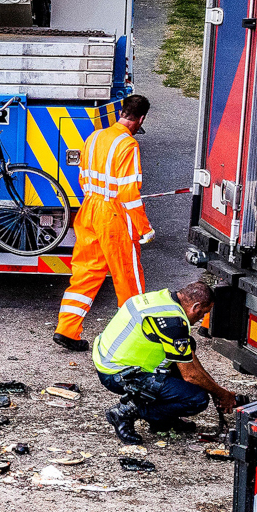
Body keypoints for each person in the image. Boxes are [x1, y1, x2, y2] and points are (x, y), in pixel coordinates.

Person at [54, 94, 153, 349]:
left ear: (122, 112)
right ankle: (134, 340)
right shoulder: (128, 146)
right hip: (114, 216)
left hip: (89, 209)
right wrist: (145, 228)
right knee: (128, 278)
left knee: (85, 273)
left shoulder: (95, 136)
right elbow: (129, 194)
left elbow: (82, 175)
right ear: (141, 119)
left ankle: (67, 330)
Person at [91, 281, 239, 444]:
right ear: (195, 307)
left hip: (108, 359)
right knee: (197, 399)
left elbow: (189, 359)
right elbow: (190, 375)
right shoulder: (173, 323)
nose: (200, 319)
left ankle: (162, 420)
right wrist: (221, 394)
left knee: (188, 345)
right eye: (202, 314)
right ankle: (126, 411)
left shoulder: (161, 298)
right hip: (117, 374)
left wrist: (216, 390)